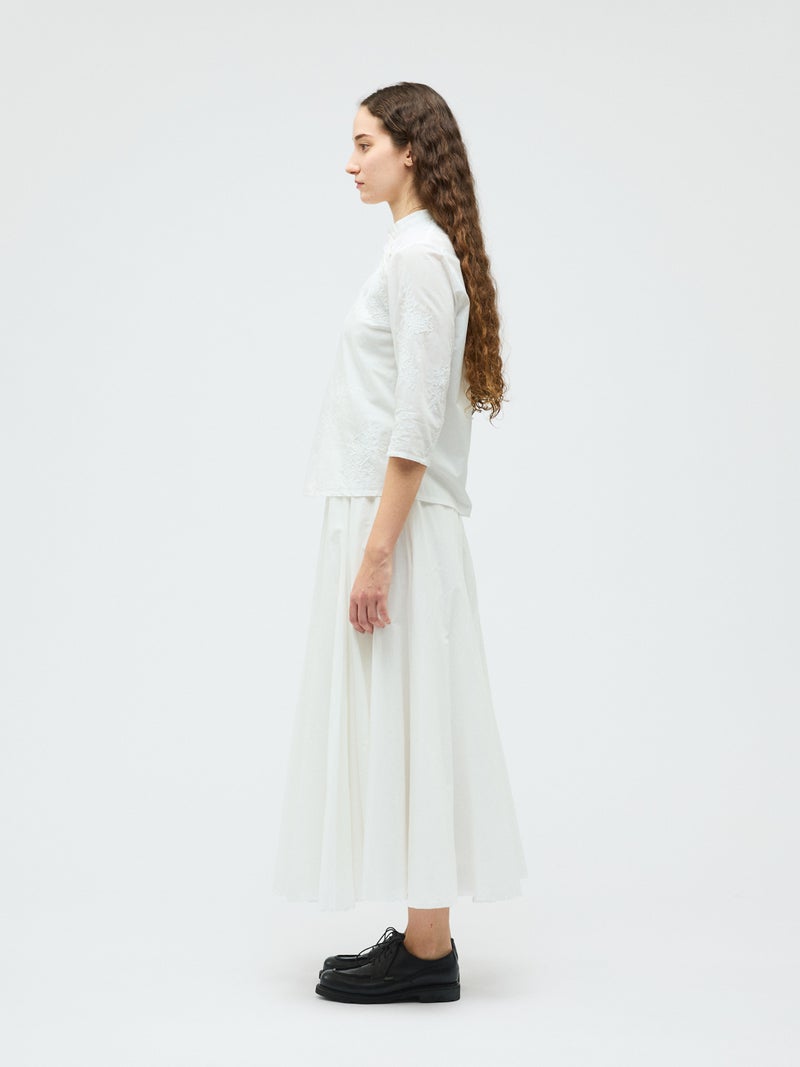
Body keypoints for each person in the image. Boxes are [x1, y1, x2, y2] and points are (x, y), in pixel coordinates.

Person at [272, 82, 528, 1004]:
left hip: (400, 525)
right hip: (393, 517)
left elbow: (413, 423)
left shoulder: (418, 258)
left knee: (416, 712)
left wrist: (377, 552)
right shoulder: (412, 251)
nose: (349, 162)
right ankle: (426, 947)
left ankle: (428, 953)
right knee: (411, 714)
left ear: (410, 149)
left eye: (363, 142)